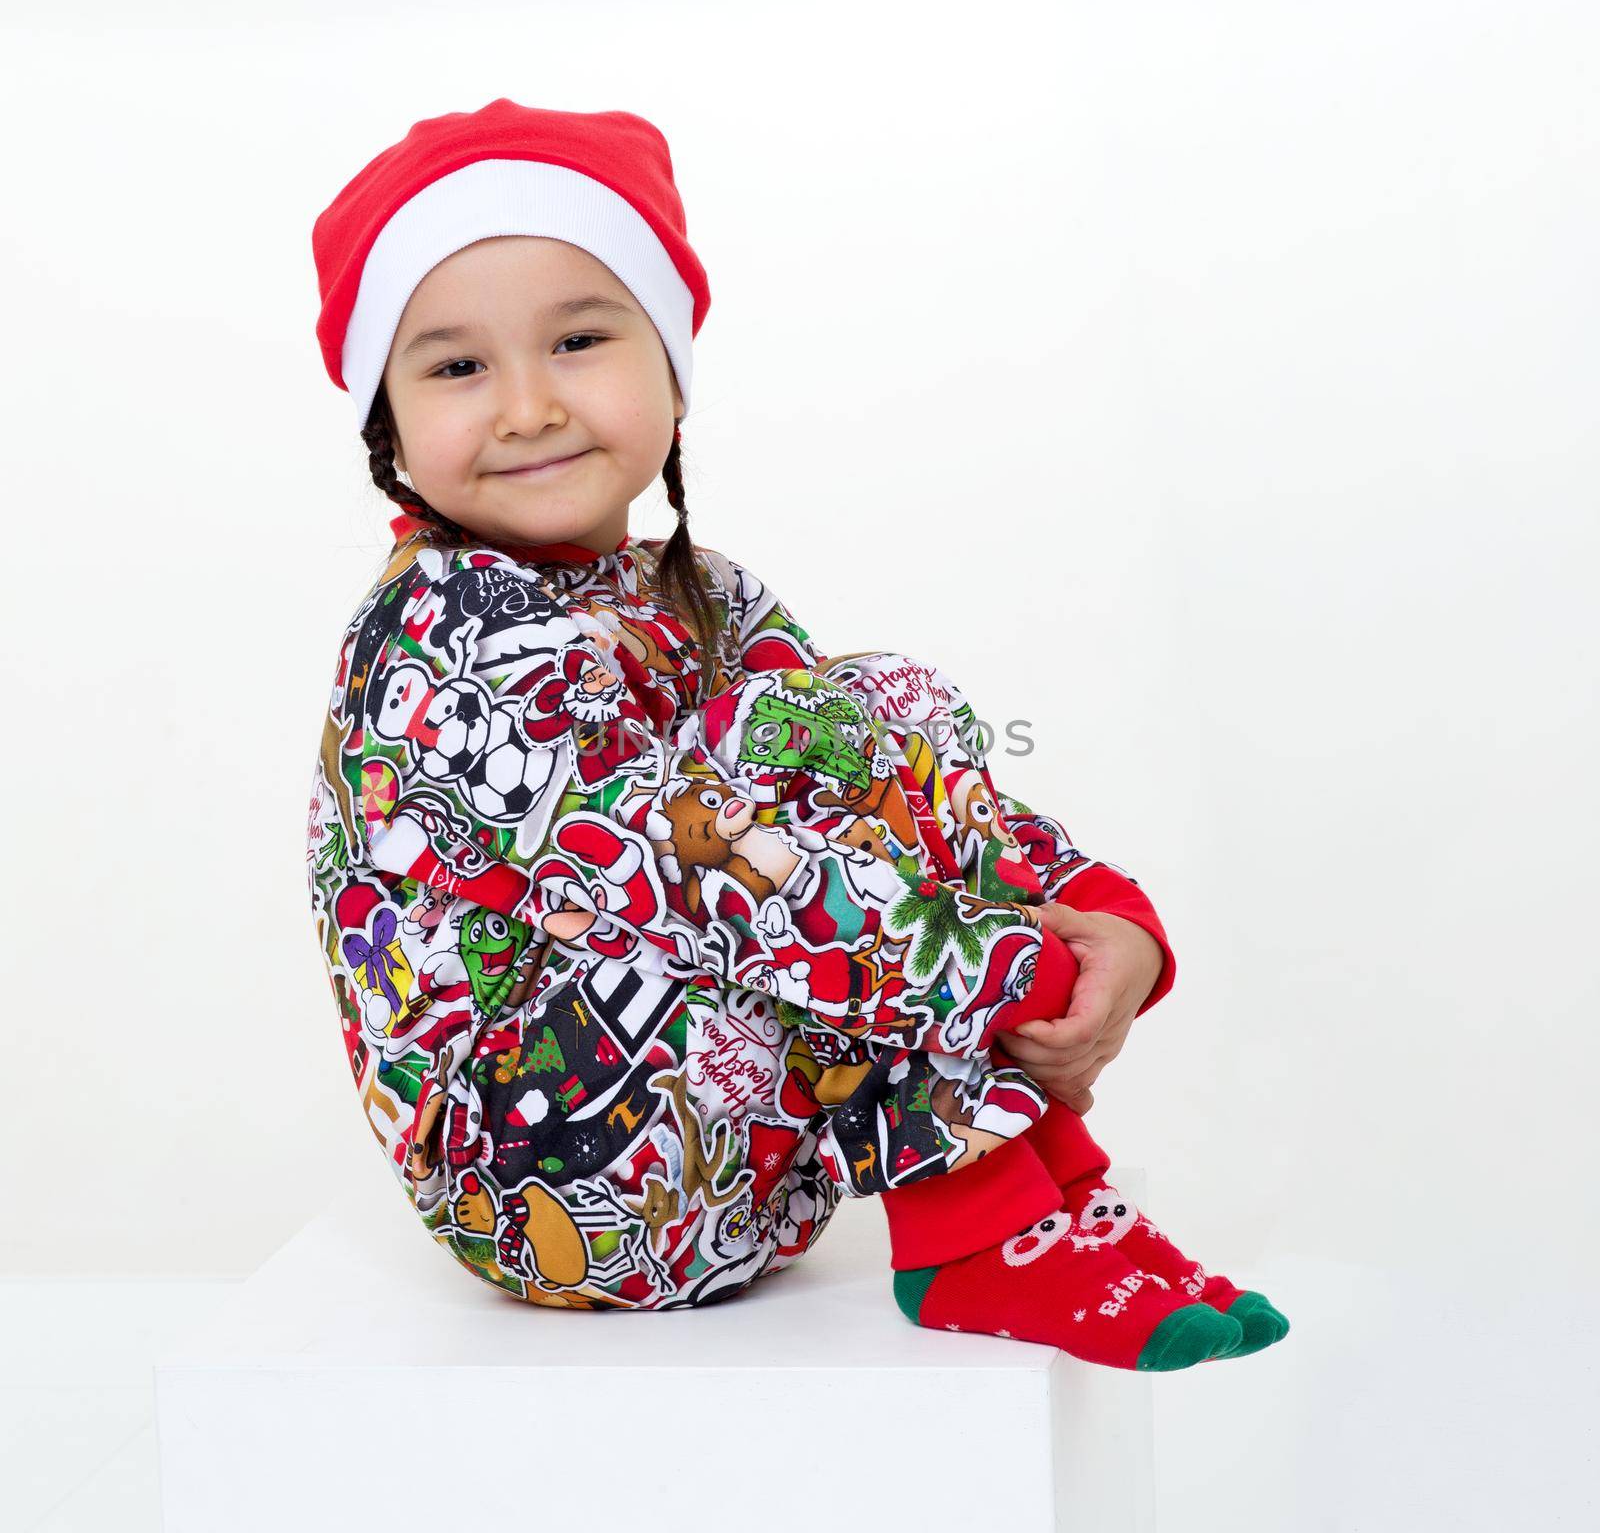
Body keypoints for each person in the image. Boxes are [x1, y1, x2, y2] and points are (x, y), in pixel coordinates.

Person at [304, 98, 1289, 1371]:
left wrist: (1090, 910)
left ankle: (1042, 1193)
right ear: (387, 426)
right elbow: (700, 882)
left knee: (861, 711)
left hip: (746, 1159)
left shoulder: (703, 590)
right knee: (782, 832)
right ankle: (980, 1225)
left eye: (581, 339)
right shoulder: (443, 637)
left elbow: (884, 784)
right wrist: (1012, 974)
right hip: (554, 1179)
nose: (529, 406)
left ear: (673, 369)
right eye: (455, 367)